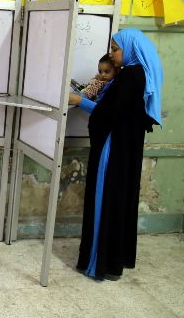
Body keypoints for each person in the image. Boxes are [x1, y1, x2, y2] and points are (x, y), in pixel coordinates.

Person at [68, 28, 163, 280]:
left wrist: (79, 101)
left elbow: (110, 114)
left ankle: (100, 263)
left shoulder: (130, 75)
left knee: (105, 199)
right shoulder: (140, 73)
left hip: (113, 148)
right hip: (125, 148)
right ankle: (114, 262)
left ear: (130, 49)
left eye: (115, 49)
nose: (111, 54)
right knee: (119, 201)